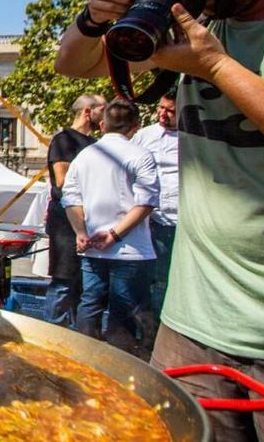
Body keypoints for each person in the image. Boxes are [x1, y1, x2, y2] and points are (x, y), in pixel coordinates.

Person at [54, 0, 264, 439]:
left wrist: (216, 68)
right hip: (190, 329)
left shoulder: (210, 43)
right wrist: (95, 18)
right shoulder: (201, 21)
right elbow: (72, 63)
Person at [61, 100, 159, 353]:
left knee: (90, 303)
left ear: (102, 124)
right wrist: (114, 235)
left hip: (92, 247)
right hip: (130, 250)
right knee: (124, 310)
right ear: (135, 127)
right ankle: (119, 362)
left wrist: (80, 233)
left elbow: (70, 197)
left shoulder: (83, 157)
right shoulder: (141, 155)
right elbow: (146, 203)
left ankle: (82, 357)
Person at [42, 94, 106, 328]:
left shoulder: (96, 144)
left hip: (90, 220)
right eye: (103, 108)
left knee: (83, 284)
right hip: (65, 222)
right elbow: (62, 180)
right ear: (88, 111)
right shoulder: (64, 140)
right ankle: (51, 332)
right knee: (64, 281)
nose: (106, 114)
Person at [131, 91, 178, 324]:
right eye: (161, 108)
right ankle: (147, 326)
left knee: (165, 278)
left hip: (177, 218)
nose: (163, 114)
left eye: (170, 111)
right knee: (147, 277)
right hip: (148, 218)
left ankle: (158, 326)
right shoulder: (144, 135)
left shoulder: (192, 137)